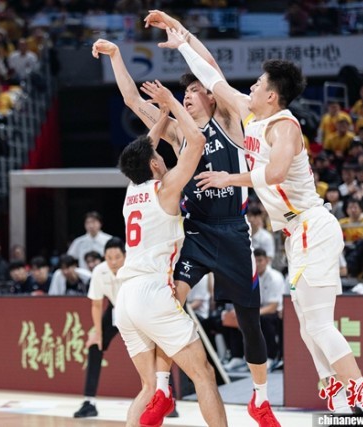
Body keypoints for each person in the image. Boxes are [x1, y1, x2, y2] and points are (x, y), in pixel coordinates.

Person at [183, 26, 363, 414]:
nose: (251, 86)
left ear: (271, 95)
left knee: (319, 325)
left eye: (258, 83)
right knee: (310, 328)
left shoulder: (285, 127)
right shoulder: (250, 114)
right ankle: (343, 405)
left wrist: (230, 178)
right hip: (297, 234)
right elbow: (212, 75)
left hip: (312, 226)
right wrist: (181, 38)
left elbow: (276, 172)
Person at [95, 11, 279, 425]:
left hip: (233, 230)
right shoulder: (179, 133)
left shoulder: (229, 121)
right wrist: (117, 57)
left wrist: (178, 30)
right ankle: (162, 389)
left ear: (211, 97)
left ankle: (261, 398)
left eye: (196, 90)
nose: (190, 95)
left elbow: (210, 66)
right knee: (171, 301)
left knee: (249, 319)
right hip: (195, 230)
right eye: (186, 92)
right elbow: (132, 100)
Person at [114, 75, 227, 427]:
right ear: (154, 164)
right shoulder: (165, 188)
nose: (162, 157)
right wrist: (174, 107)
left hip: (125, 299)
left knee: (148, 387)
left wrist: (162, 115)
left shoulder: (131, 190)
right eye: (158, 156)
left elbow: (143, 148)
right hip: (152, 293)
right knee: (204, 374)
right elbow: (196, 142)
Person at [73, 237, 126, 418]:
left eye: (117, 257)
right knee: (95, 345)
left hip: (137, 310)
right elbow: (96, 304)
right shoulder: (99, 271)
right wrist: (97, 332)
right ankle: (89, 402)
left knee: (156, 349)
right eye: (109, 257)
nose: (113, 262)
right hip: (115, 309)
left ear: (125, 256)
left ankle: (169, 398)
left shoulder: (135, 268)